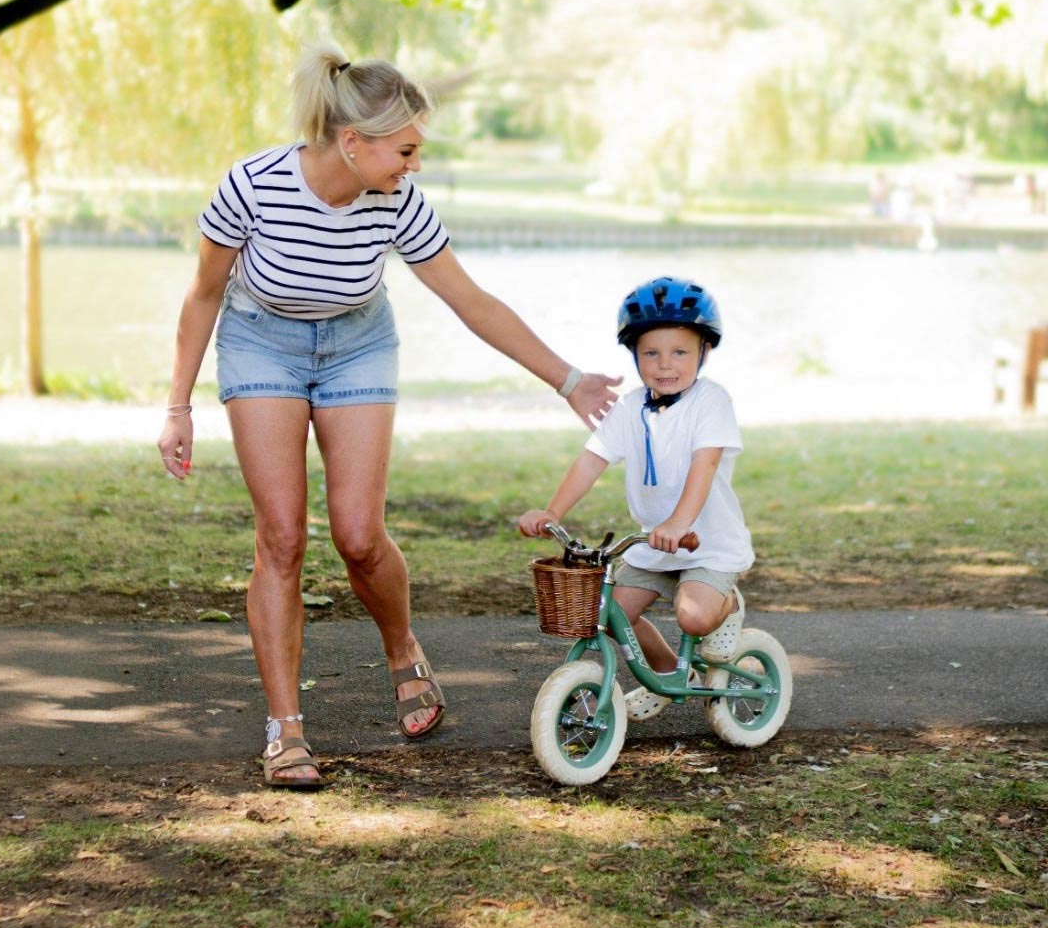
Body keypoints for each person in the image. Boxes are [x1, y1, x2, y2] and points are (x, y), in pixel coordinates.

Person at [157, 44, 619, 789]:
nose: (413, 165)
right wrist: (178, 406)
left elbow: (469, 301)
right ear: (352, 142)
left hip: (356, 347)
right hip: (261, 343)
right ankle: (285, 732)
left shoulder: (397, 203)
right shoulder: (253, 185)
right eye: (404, 149)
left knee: (359, 536)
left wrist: (565, 378)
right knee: (280, 536)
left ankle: (402, 648)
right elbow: (204, 293)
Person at [518, 276, 752, 716]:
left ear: (705, 350)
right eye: (651, 353)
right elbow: (592, 459)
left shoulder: (711, 401)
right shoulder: (630, 407)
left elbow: (705, 466)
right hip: (655, 546)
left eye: (680, 352)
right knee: (605, 614)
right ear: (634, 355)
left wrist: (680, 522)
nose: (665, 364)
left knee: (695, 618)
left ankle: (729, 602)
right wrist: (552, 510)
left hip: (707, 546)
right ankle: (669, 675)